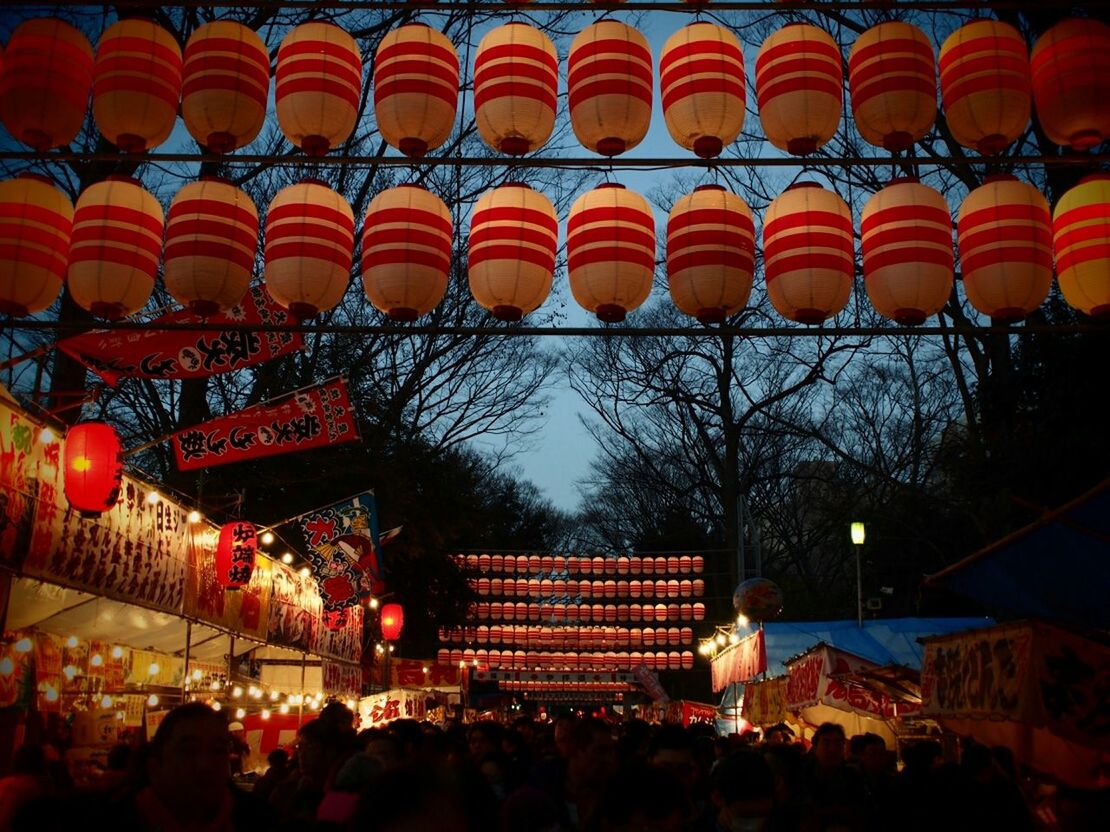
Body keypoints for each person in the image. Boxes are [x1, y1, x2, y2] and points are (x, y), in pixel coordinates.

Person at [100, 701, 272, 832]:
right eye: (188, 750)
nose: (204, 764)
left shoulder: (258, 820)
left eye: (218, 750)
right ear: (155, 765)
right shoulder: (104, 818)